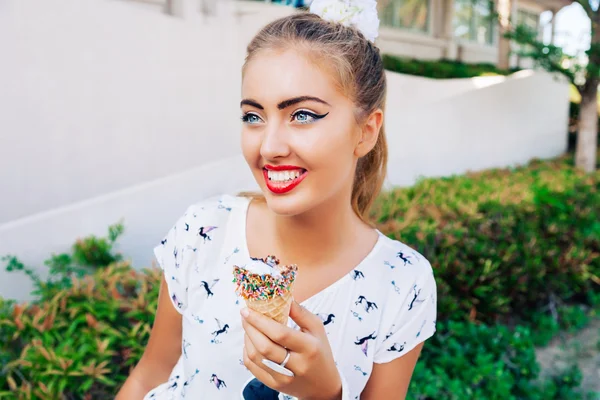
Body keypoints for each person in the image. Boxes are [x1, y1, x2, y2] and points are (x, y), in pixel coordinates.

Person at [116, 0, 437, 398]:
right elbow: (150, 375)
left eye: (302, 115)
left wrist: (327, 395)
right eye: (253, 116)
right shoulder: (203, 231)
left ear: (366, 132)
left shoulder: (403, 283)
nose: (269, 147)